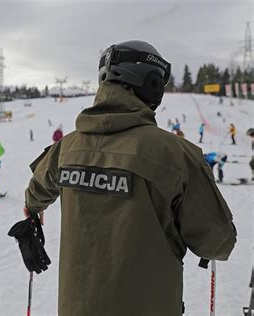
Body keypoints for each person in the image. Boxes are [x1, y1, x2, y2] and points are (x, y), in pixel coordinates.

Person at [18, 40, 236, 316]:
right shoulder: (175, 154)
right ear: (151, 84)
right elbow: (217, 242)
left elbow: (33, 196)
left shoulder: (66, 148)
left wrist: (34, 212)